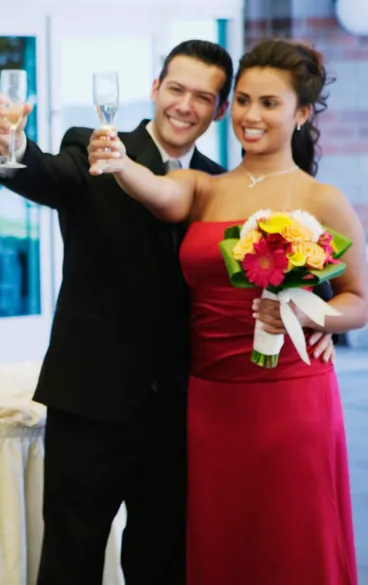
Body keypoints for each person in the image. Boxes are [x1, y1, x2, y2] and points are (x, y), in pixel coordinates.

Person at [0, 39, 335, 585]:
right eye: (175, 88)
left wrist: (316, 322)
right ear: (155, 88)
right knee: (70, 560)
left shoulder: (223, 183)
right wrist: (11, 144)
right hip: (92, 400)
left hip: (187, 411)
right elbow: (45, 174)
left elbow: (301, 274)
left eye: (204, 96)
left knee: (165, 564)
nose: (184, 105)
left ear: (220, 109)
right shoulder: (96, 148)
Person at [87, 38, 364, 584]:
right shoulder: (203, 186)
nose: (249, 115)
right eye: (241, 100)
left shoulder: (321, 199)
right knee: (222, 534)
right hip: (211, 397)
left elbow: (359, 300)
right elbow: (157, 193)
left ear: (302, 113)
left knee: (288, 535)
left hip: (291, 395)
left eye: (268, 103)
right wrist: (120, 163)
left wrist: (312, 317)